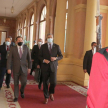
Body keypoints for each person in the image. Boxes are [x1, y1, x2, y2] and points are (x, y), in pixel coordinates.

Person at [39, 34, 63, 104]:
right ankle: (46, 97)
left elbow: (61, 56)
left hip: (53, 67)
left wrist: (56, 58)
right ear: (46, 38)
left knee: (54, 82)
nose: (49, 38)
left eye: (51, 37)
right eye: (48, 37)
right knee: (45, 82)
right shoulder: (43, 46)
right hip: (45, 67)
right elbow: (39, 56)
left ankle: (51, 92)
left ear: (53, 38)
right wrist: (44, 60)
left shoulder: (56, 46)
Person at [7, 36, 32, 102]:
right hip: (16, 68)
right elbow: (9, 59)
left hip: (24, 68)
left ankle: (22, 90)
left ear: (22, 41)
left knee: (24, 82)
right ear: (16, 41)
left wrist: (29, 67)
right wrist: (8, 68)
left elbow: (29, 59)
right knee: (16, 83)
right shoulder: (13, 48)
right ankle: (16, 96)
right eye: (19, 40)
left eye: (21, 40)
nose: (20, 41)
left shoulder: (26, 48)